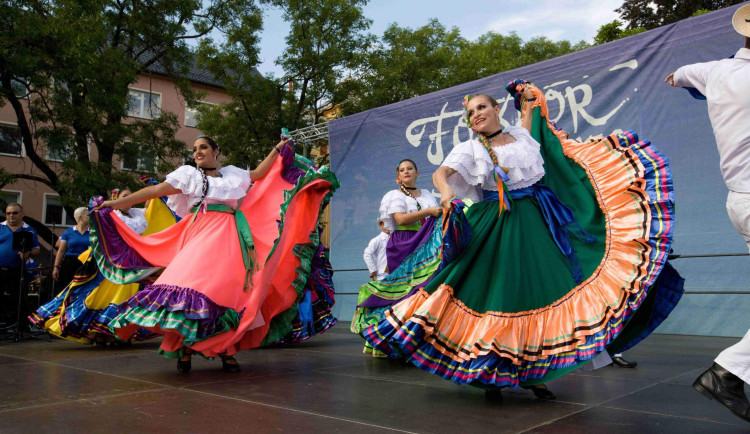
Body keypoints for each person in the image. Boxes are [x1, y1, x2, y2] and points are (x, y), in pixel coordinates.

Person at [362, 81, 682, 402]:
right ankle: (492, 376)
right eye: (471, 113)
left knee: (541, 292)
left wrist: (528, 97)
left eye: (482, 108)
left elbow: (533, 119)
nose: (476, 115)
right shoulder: (471, 148)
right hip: (497, 223)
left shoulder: (522, 136)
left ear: (496, 108)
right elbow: (441, 174)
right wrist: (445, 193)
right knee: (499, 295)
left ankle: (535, 375)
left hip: (536, 220)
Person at [90, 135, 338, 373]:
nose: (197, 152)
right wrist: (118, 204)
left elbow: (259, 175)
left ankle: (225, 349)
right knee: (189, 286)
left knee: (225, 293)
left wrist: (276, 150)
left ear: (216, 151)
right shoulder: (188, 176)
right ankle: (185, 348)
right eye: (195, 149)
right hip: (201, 233)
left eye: (203, 147)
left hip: (231, 236)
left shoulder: (232, 174)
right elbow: (156, 191)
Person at [665, 3, 750, 423]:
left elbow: (677, 74)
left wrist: (695, 84)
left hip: (740, 199)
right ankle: (730, 372)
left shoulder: (716, 70)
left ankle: (732, 372)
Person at [30, 188, 170, 346]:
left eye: (131, 197)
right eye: (125, 196)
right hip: (112, 259)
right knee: (102, 295)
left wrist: (155, 188)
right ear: (115, 198)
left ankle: (120, 333)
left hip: (133, 260)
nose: (129, 199)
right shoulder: (110, 213)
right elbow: (97, 216)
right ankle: (100, 332)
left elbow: (151, 205)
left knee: (128, 294)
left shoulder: (137, 213)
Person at [351, 159, 443, 357]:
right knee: (402, 291)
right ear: (398, 177)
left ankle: (415, 339)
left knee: (423, 289)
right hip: (404, 241)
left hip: (425, 243)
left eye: (410, 168)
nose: (406, 172)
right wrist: (428, 212)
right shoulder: (394, 195)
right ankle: (388, 338)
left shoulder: (426, 194)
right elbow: (400, 219)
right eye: (402, 170)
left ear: (417, 173)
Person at [0, 203, 40, 330]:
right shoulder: (0, 227)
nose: (11, 215)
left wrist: (28, 253)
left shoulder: (29, 230)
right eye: (8, 213)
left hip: (17, 270)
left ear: (22, 214)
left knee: (18, 298)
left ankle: (20, 326)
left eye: (14, 213)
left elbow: (36, 249)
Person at [52, 207, 90, 290]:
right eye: (88, 215)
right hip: (70, 263)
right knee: (67, 287)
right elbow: (61, 250)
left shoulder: (92, 232)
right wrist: (56, 267)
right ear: (81, 217)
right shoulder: (69, 232)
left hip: (86, 263)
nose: (91, 217)